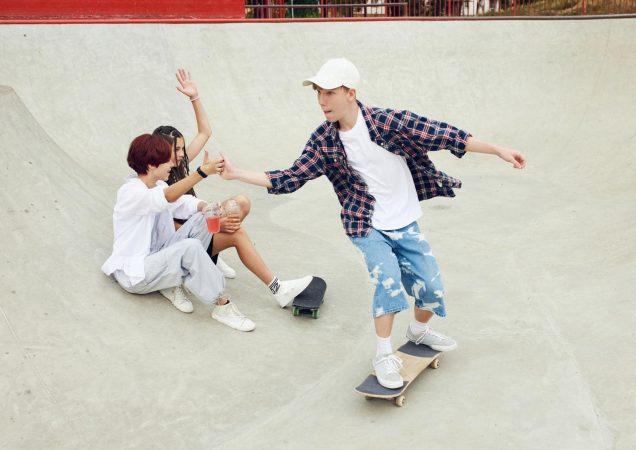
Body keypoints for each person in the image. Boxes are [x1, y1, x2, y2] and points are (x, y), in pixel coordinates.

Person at [221, 58, 527, 385]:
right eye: (317, 93)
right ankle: (383, 354)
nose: (322, 101)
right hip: (365, 224)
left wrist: (497, 149)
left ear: (350, 92)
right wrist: (237, 173)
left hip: (405, 221)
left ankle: (419, 331)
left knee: (432, 288)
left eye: (329, 93)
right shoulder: (324, 140)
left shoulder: (388, 122)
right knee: (389, 281)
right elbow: (291, 177)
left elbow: (445, 134)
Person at [101, 134, 312, 331]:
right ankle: (222, 306)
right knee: (190, 247)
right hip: (137, 273)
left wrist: (207, 208)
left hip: (161, 256)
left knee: (222, 221)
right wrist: (202, 173)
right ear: (151, 165)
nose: (173, 164)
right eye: (168, 160)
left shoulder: (157, 185)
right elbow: (167, 198)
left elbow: (182, 202)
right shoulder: (130, 192)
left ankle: (278, 288)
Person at [153, 68, 238, 279]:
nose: (182, 154)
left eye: (182, 149)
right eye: (177, 150)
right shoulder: (157, 180)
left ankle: (212, 250)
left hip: (200, 219)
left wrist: (194, 97)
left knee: (240, 204)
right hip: (182, 232)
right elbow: (168, 223)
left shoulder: (181, 162)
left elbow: (205, 132)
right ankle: (206, 252)